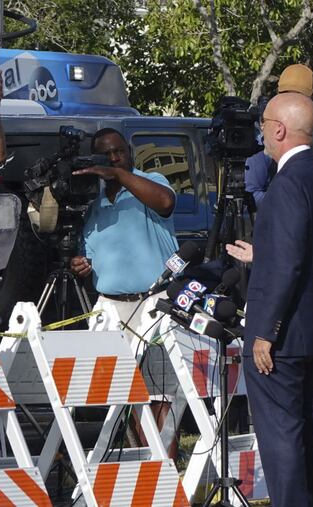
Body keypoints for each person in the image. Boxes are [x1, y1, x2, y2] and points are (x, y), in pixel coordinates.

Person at [243, 92, 313, 506]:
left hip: (284, 336)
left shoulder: (287, 183)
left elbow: (288, 265)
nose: (261, 131)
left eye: (264, 123)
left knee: (282, 436)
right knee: (310, 429)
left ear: (279, 129)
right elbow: (307, 251)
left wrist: (266, 330)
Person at [69, 127, 179, 453]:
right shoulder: (93, 200)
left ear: (129, 152)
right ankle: (142, 468)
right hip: (110, 306)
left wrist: (116, 173)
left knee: (160, 395)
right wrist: (80, 264)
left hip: (154, 301)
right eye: (107, 155)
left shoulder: (151, 179)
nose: (115, 158)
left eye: (119, 152)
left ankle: (166, 475)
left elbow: (166, 202)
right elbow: (84, 252)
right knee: (126, 396)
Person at [245, 64, 313, 210]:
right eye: (288, 95)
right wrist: (289, 206)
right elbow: (253, 191)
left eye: (299, 96)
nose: (294, 100)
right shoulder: (266, 136)